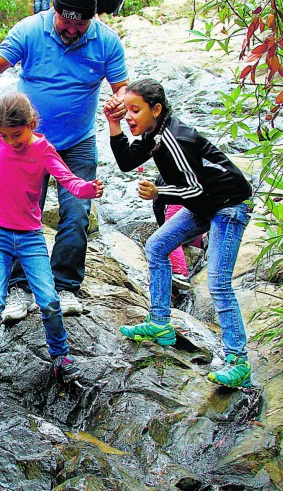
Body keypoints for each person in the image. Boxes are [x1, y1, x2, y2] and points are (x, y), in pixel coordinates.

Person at [0, 0, 129, 320]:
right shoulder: (30, 29)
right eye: (66, 21)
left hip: (77, 142)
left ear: (92, 19)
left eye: (81, 24)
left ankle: (65, 287)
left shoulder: (106, 41)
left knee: (76, 212)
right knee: (18, 214)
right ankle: (18, 287)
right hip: (27, 145)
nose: (72, 30)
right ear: (54, 11)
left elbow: (122, 88)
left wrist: (120, 102)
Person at [104, 78, 255, 389]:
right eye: (126, 110)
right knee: (158, 246)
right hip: (204, 205)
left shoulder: (176, 137)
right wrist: (113, 124)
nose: (129, 115)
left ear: (156, 109)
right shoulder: (153, 133)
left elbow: (194, 186)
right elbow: (126, 161)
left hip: (228, 206)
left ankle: (238, 361)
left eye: (135, 110)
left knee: (218, 283)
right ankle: (160, 324)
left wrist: (159, 191)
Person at [0, 51, 105, 396]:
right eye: (5, 136)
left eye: (17, 136)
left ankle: (61, 358)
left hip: (29, 238)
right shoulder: (1, 135)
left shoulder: (43, 149)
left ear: (31, 124)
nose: (11, 142)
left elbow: (68, 180)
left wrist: (87, 188)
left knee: (48, 300)